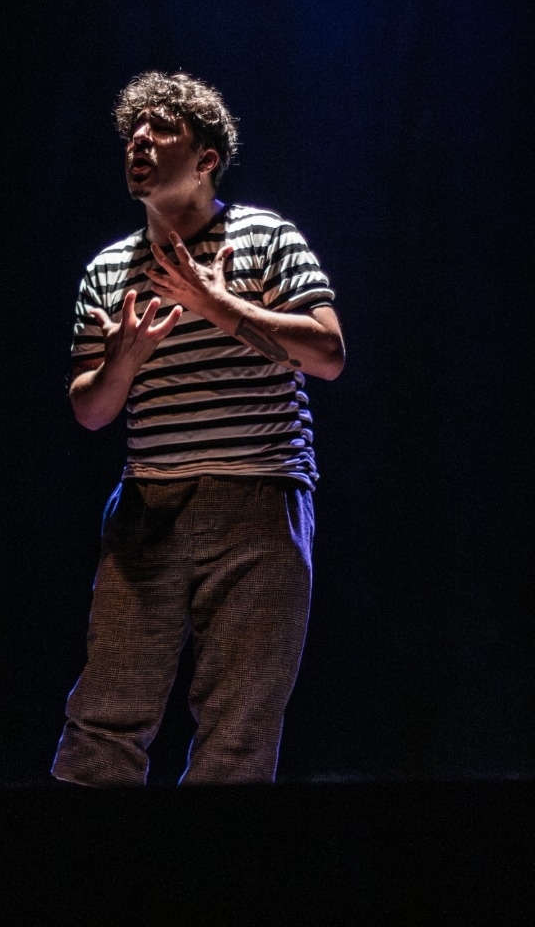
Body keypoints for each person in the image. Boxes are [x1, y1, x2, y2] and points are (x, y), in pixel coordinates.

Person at [52, 70, 345, 786]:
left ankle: (218, 864)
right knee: (106, 716)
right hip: (150, 504)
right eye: (133, 131)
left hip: (260, 499)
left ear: (206, 157)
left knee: (239, 728)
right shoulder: (108, 269)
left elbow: (328, 355)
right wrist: (122, 362)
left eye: (161, 129)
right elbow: (90, 410)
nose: (139, 140)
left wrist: (220, 306)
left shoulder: (266, 236)